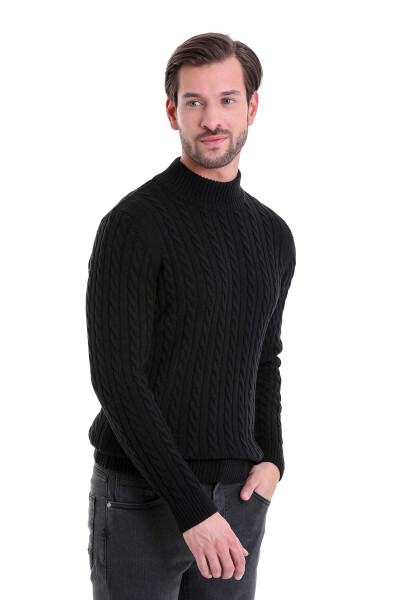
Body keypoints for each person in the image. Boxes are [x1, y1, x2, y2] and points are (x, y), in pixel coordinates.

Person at [86, 32, 296, 600]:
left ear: (252, 106)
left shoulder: (273, 235)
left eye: (227, 99)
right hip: (141, 499)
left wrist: (273, 460)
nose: (211, 119)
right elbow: (117, 378)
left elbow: (265, 357)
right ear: (171, 111)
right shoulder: (134, 225)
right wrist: (191, 507)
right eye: (194, 102)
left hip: (239, 496)